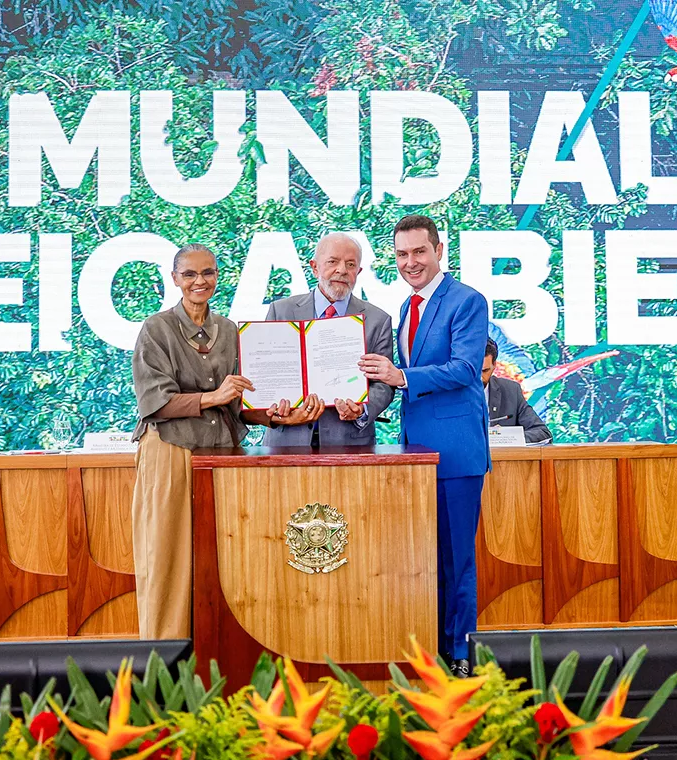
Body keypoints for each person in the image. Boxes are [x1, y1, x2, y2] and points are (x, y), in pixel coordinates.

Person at [358, 214, 490, 677]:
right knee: (423, 557)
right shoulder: (404, 308)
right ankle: (430, 648)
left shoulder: (466, 301)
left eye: (419, 252)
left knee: (457, 558)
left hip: (455, 453)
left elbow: (464, 369)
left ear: (438, 251)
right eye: (401, 255)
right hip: (414, 453)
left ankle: (461, 655)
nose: (410, 262)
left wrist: (400, 376)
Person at [130, 243, 252, 640]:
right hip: (172, 452)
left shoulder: (232, 330)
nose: (200, 281)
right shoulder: (157, 328)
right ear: (175, 279)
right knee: (167, 558)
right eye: (190, 275)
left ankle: (221, 655)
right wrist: (211, 397)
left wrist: (282, 411)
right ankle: (163, 664)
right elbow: (154, 401)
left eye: (208, 273)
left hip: (221, 457)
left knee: (226, 559)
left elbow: (243, 401)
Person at [257, 232, 395, 446]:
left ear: (358, 272)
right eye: (332, 262)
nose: (342, 270)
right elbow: (265, 374)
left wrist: (362, 410)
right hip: (287, 441)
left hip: (350, 444)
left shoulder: (378, 320)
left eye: (350, 264)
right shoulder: (281, 311)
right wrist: (274, 406)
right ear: (314, 267)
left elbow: (384, 385)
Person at [483, 340, 553, 444]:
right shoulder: (451, 391)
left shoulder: (510, 390)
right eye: (474, 370)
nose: (479, 378)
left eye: (485, 371)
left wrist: (507, 438)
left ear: (494, 366)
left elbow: (543, 433)